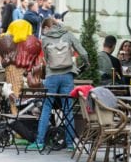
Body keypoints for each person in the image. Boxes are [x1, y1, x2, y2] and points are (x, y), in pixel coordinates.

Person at [27, 18, 89, 151]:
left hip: (51, 76)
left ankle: (39, 142)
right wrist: (86, 64)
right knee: (68, 109)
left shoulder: (45, 38)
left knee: (46, 108)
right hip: (68, 76)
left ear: (48, 27)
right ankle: (70, 144)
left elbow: (47, 59)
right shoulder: (68, 34)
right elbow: (83, 52)